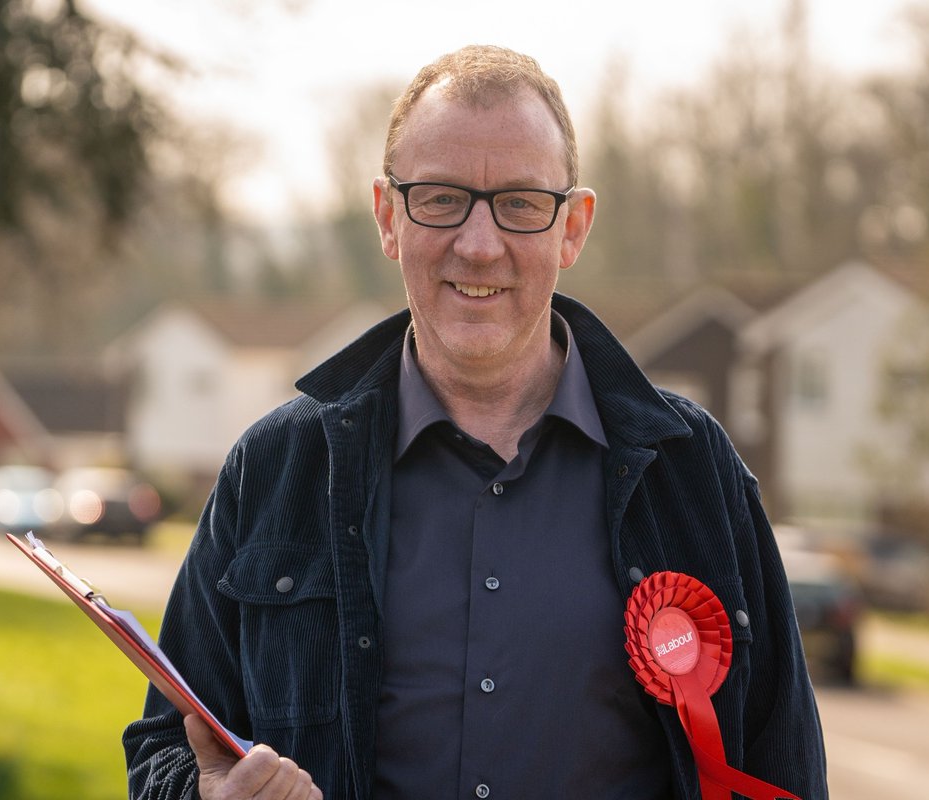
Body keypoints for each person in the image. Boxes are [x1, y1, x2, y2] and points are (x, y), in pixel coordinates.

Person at [124, 44, 828, 800]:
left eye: (522, 204)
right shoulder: (274, 470)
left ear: (574, 228)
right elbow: (166, 746)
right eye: (440, 199)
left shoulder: (693, 473)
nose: (481, 244)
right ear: (388, 217)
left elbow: (782, 765)